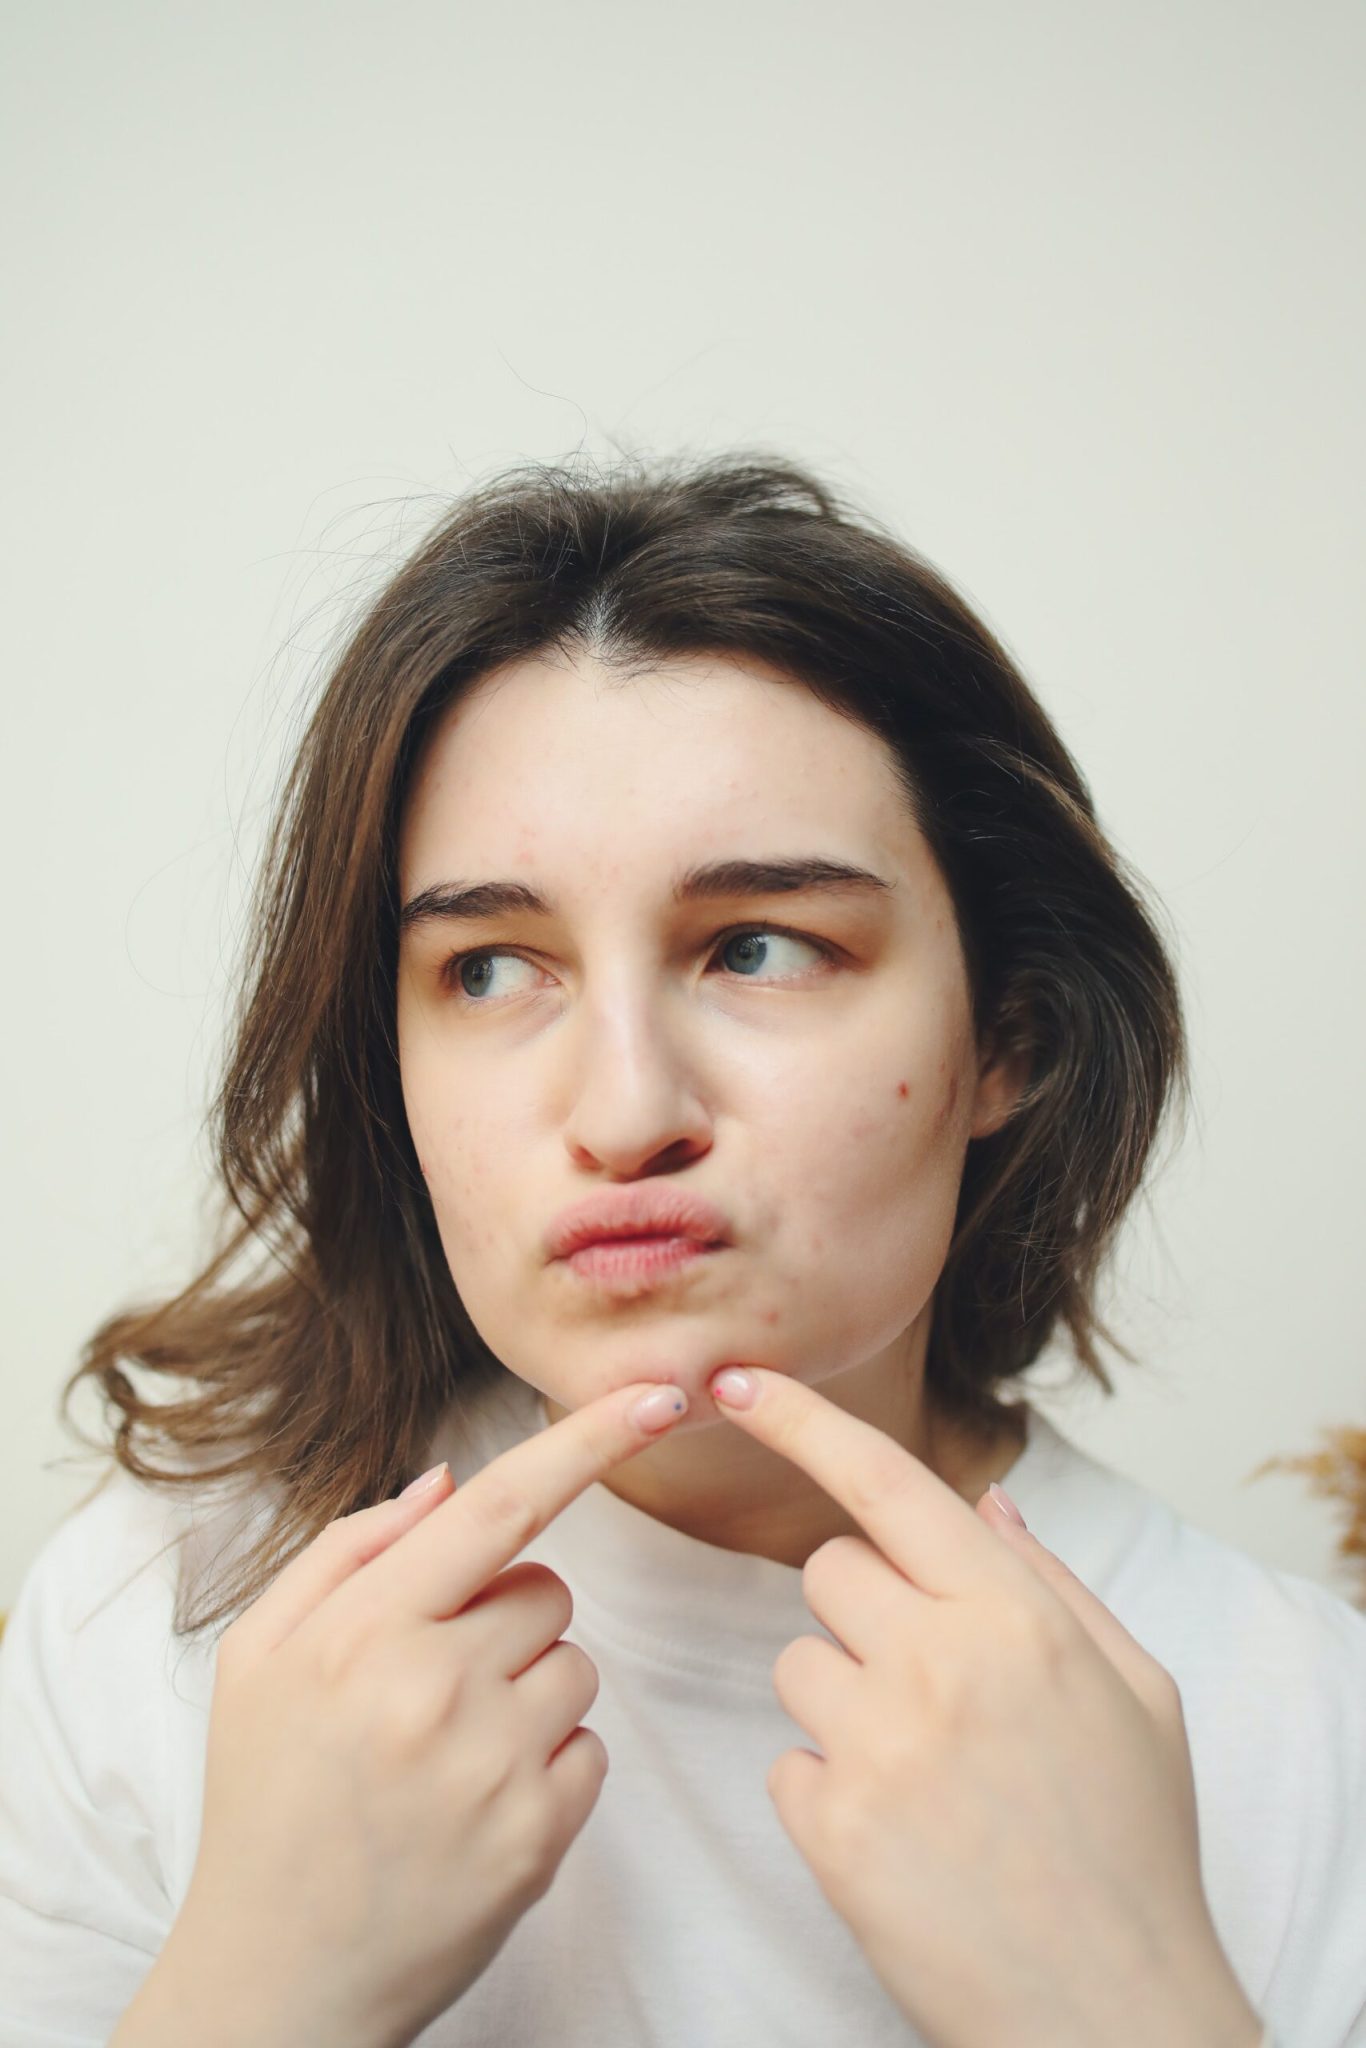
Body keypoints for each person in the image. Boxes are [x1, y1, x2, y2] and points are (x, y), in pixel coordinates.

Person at [0, 452, 1356, 2047]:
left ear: (1009, 1035)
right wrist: (263, 1985)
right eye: (490, 968)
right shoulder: (159, 1618)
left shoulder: (1303, 1724)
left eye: (758, 948)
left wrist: (1125, 2006)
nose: (626, 1113)